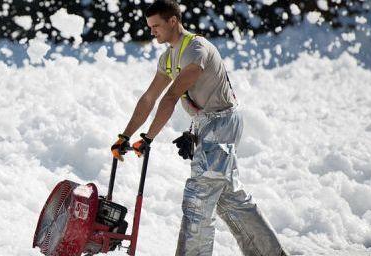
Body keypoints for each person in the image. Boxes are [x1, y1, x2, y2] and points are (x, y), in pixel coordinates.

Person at [110, 1, 287, 255]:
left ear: (173, 21)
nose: (152, 32)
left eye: (156, 26)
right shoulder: (168, 57)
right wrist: (125, 136)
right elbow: (149, 98)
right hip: (208, 123)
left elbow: (170, 97)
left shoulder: (196, 49)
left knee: (198, 198)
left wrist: (148, 138)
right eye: (150, 27)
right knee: (228, 198)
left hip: (222, 122)